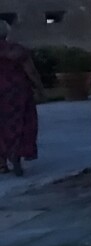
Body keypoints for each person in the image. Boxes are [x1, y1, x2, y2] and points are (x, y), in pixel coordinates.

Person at [0, 21, 43, 176]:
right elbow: (31, 71)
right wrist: (40, 88)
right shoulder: (16, 50)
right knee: (19, 123)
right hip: (16, 93)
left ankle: (2, 163)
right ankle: (16, 155)